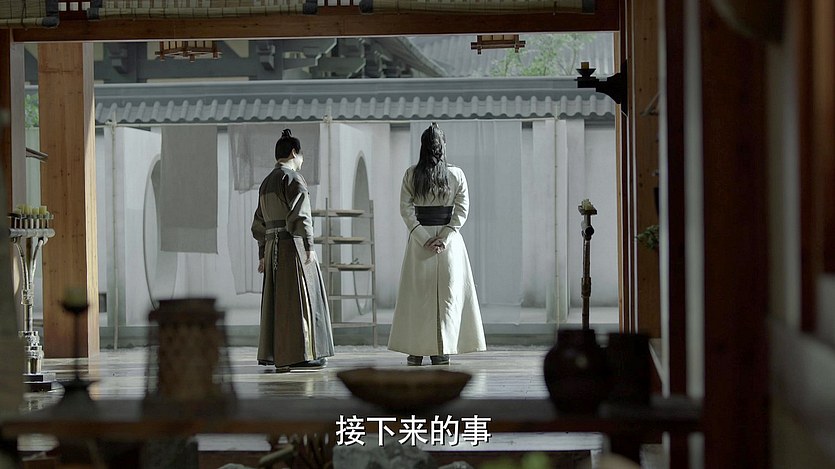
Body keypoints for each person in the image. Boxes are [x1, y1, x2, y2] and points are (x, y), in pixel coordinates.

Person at [388, 122, 486, 366]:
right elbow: (462, 210)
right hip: (448, 244)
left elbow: (405, 209)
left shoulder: (411, 174)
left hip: (420, 242)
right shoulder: (456, 174)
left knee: (417, 295)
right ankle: (442, 349)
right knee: (447, 296)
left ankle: (415, 351)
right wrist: (445, 236)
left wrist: (422, 237)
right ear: (443, 146)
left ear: (422, 146)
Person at [252, 128, 334, 372]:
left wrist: (262, 254)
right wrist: (309, 247)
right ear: (294, 152)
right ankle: (300, 355)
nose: (302, 160)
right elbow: (302, 216)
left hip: (272, 248)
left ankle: (281, 355)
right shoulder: (293, 179)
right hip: (292, 245)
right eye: (301, 155)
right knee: (303, 302)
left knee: (279, 304)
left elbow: (259, 222)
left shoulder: (266, 183)